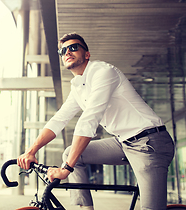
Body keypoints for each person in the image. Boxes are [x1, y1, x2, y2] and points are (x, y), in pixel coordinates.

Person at [17, 32, 175, 210]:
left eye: (73, 47)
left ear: (87, 54)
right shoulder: (77, 86)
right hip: (123, 143)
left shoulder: (103, 72)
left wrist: (66, 169)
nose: (67, 52)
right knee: (70, 153)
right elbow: (59, 119)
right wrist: (31, 151)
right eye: (63, 51)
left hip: (150, 142)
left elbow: (89, 120)